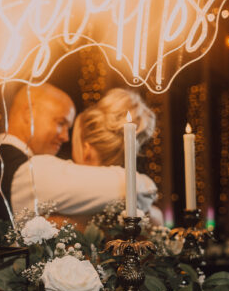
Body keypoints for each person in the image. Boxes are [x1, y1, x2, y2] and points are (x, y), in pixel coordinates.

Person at [11, 88, 159, 219]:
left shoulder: (41, 171)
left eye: (71, 133)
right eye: (60, 123)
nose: (66, 138)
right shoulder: (144, 212)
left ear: (87, 149)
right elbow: (142, 188)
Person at [0, 83, 75, 221]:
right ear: (28, 113)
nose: (65, 137)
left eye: (69, 128)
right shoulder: (23, 169)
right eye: (61, 123)